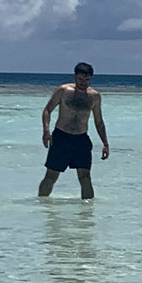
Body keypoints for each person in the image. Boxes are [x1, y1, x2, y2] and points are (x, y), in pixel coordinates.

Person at [39, 62, 109, 199]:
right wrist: (46, 131)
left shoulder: (94, 96)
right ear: (75, 76)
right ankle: (42, 205)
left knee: (85, 177)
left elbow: (99, 121)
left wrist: (105, 143)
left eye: (87, 80)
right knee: (51, 176)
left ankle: (87, 215)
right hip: (61, 137)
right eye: (81, 79)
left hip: (81, 139)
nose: (84, 83)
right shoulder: (63, 91)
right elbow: (47, 110)